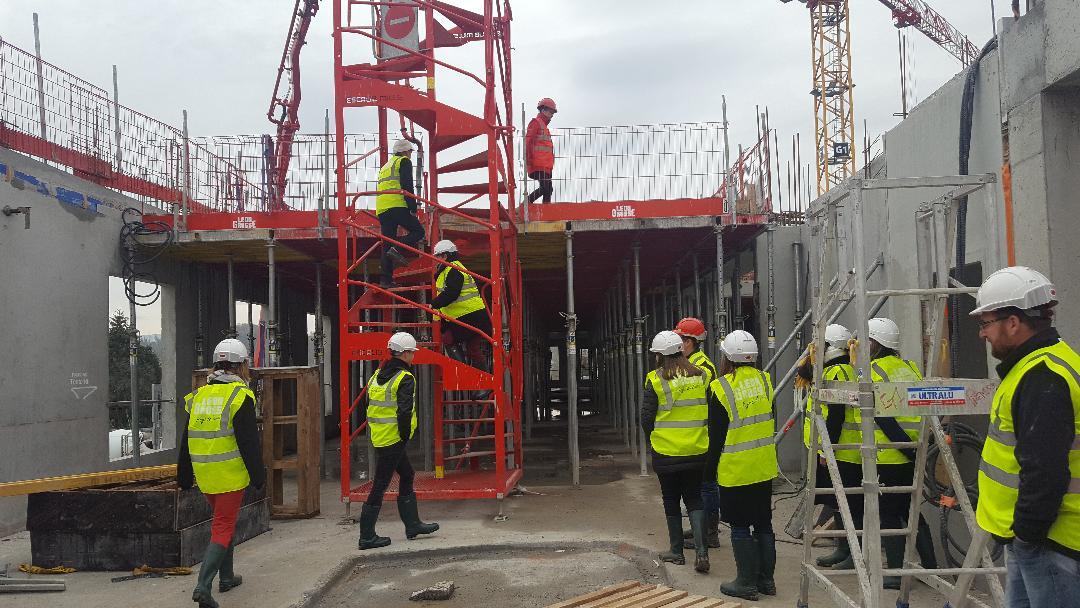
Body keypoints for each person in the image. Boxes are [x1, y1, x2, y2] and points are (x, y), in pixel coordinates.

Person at [971, 266, 1080, 606]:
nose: (982, 334)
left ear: (1014, 322)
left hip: (1048, 540)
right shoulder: (1044, 365)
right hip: (1034, 537)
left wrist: (1027, 535)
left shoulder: (1042, 376)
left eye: (986, 323)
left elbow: (1045, 470)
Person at [178, 338, 265, 608]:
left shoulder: (198, 396)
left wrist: (184, 475)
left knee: (223, 522)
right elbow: (249, 442)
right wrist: (258, 475)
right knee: (223, 527)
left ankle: (226, 577)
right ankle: (203, 586)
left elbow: (186, 439)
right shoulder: (241, 396)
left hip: (205, 474)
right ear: (242, 367)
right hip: (229, 475)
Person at [862, 317, 937, 588]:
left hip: (890, 455)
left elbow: (883, 419)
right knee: (913, 509)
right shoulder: (910, 368)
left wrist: (904, 449)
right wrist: (916, 450)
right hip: (915, 450)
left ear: (875, 344)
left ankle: (895, 573)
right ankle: (931, 569)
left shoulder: (872, 371)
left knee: (889, 514)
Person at [706, 330, 777, 601]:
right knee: (763, 524)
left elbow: (716, 438)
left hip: (736, 469)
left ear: (727, 357)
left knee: (739, 526)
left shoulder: (721, 387)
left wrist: (708, 474)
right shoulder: (765, 381)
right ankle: (766, 581)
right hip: (764, 465)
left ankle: (745, 583)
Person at [358, 332, 440, 550]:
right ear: (404, 353)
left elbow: (368, 405)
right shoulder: (405, 378)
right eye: (412, 353)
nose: (413, 357)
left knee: (407, 474)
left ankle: (413, 525)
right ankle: (366, 536)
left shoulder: (376, 375)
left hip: (380, 436)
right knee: (381, 484)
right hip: (394, 438)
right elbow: (404, 411)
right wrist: (405, 435)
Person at [640, 330, 712, 574]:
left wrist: (655, 437)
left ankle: (677, 551)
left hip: (667, 451)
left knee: (671, 499)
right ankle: (702, 552)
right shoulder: (700, 376)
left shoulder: (655, 379)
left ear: (660, 355)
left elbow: (646, 418)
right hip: (697, 449)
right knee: (695, 498)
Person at [795, 324, 858, 569]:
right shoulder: (833, 369)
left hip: (841, 450)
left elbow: (836, 416)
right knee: (836, 501)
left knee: (847, 503)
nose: (814, 350)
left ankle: (852, 554)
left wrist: (825, 450)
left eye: (818, 346)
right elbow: (805, 370)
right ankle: (842, 549)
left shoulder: (838, 372)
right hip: (836, 449)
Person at [673, 318, 721, 550]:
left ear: (692, 341)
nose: (679, 343)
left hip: (707, 432)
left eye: (682, 339)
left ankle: (710, 532)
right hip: (698, 432)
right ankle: (701, 525)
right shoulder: (689, 362)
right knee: (700, 484)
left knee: (707, 484)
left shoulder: (702, 366)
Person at [430, 239, 492, 372]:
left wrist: (434, 304)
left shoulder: (453, 270)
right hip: (472, 315)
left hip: (468, 316)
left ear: (445, 256)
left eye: (438, 256)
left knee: (450, 340)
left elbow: (451, 293)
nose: (436, 260)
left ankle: (464, 372)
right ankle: (479, 381)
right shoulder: (452, 268)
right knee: (472, 348)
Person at [376, 139, 426, 286]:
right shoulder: (404, 161)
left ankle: (385, 279)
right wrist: (412, 207)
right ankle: (396, 247)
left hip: (382, 208)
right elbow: (407, 186)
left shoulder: (386, 165)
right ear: (404, 151)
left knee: (387, 243)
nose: (410, 154)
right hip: (397, 205)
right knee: (418, 232)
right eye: (410, 151)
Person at [525, 98, 557, 203]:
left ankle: (546, 212)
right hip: (538, 164)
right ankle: (525, 204)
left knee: (548, 189)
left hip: (546, 165)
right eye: (551, 111)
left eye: (553, 112)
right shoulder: (536, 123)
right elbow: (528, 141)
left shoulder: (544, 126)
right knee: (545, 188)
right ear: (543, 110)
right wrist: (528, 160)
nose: (552, 114)